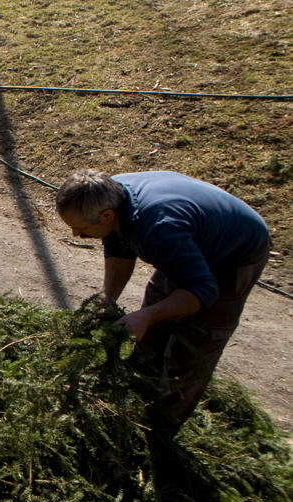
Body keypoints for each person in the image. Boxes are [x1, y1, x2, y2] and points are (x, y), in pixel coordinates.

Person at [55, 169, 270, 434]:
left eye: (82, 229)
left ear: (107, 216)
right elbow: (119, 249)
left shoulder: (158, 228)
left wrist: (147, 316)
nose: (76, 234)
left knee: (193, 344)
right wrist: (107, 299)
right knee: (151, 335)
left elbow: (203, 289)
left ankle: (160, 432)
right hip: (188, 235)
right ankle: (136, 402)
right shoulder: (108, 196)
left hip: (234, 253)